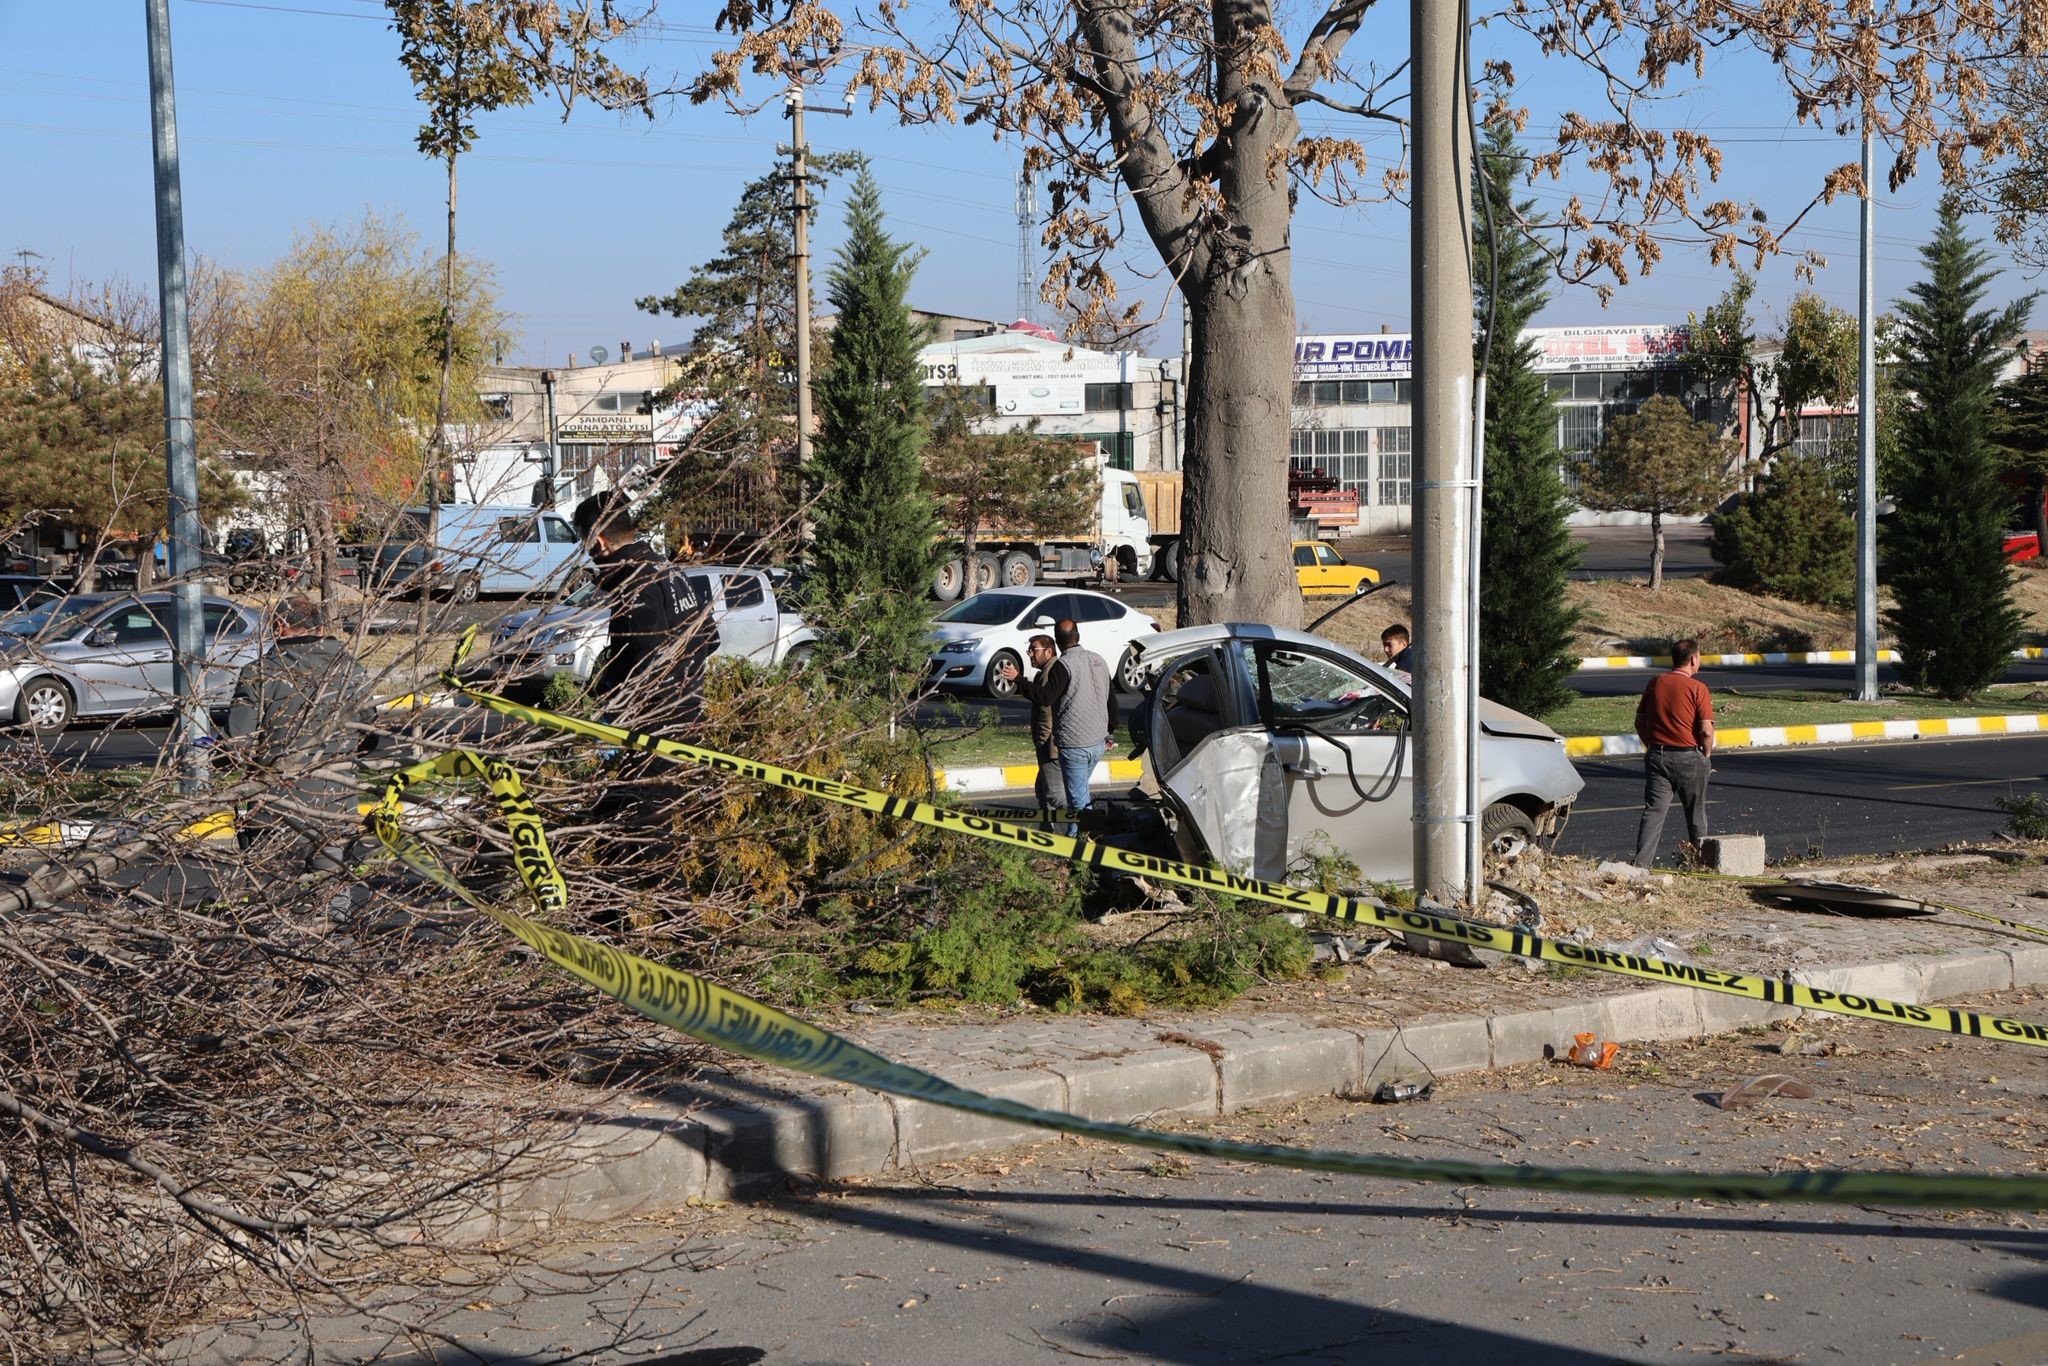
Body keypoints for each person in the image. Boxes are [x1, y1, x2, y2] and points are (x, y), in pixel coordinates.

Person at [226, 595, 376, 872]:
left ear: (279, 627)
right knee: (331, 895)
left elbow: (237, 742)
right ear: (320, 628)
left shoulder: (260, 673)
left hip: (276, 808)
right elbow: (369, 733)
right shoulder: (350, 669)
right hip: (335, 804)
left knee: (274, 897)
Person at [571, 491, 718, 724]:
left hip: (652, 720)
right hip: (687, 710)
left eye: (586, 545)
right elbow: (710, 637)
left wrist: (613, 705)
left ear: (600, 542)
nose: (589, 556)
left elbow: (645, 659)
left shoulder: (636, 582)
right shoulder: (668, 569)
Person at [1001, 617, 1118, 817]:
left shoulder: (1062, 666)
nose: (1030, 654)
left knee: (1073, 801)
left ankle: (1092, 833)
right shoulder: (1098, 659)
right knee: (1071, 794)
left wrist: (1019, 680)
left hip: (1075, 746)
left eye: (1033, 650)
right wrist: (1110, 732)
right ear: (1078, 636)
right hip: (1097, 742)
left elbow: (1046, 697)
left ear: (1055, 643)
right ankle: (1067, 836)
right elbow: (1111, 699)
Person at [1632, 636, 1716, 869]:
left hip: (1658, 755)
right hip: (1689, 757)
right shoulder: (1698, 688)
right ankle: (1700, 864)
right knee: (1696, 815)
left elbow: (1640, 721)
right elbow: (1706, 730)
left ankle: (1641, 865)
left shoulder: (1656, 683)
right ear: (1693, 659)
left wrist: (1650, 744)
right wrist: (1706, 756)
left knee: (1653, 812)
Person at [1021, 633, 1064, 811]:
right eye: (1029, 650)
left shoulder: (1050, 672)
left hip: (1050, 746)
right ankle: (1047, 833)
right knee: (1042, 791)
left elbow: (1046, 710)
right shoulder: (1043, 673)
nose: (1030, 654)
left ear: (1049, 651)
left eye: (1034, 650)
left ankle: (1087, 822)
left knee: (1055, 795)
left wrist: (1042, 739)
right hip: (1048, 744)